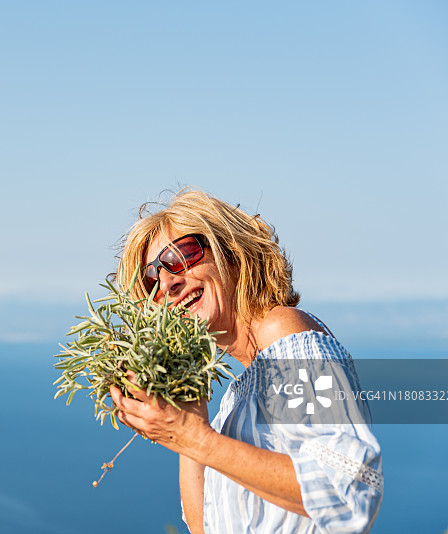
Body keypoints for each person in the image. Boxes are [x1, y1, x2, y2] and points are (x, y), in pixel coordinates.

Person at [109, 189, 383, 534]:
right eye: (151, 280)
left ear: (233, 251)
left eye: (182, 255)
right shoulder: (233, 403)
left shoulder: (283, 329)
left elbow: (347, 488)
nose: (167, 282)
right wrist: (187, 426)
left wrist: (196, 439)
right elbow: (204, 528)